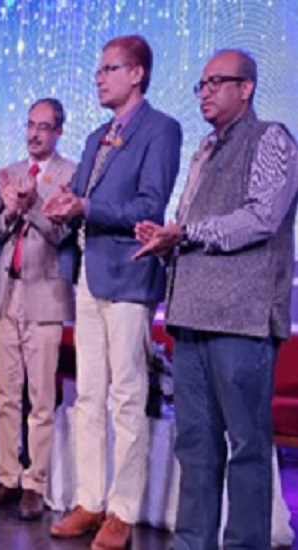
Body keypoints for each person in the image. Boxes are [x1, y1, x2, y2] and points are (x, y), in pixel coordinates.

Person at [134, 49, 298, 550]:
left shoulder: (271, 138)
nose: (204, 92)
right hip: (191, 316)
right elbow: (189, 223)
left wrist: (186, 233)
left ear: (246, 88)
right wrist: (166, 239)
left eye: (216, 82)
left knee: (246, 446)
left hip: (241, 319)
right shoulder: (204, 148)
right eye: (201, 84)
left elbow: (262, 217)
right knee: (195, 445)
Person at [42, 35, 182, 549]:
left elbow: (149, 205)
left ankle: (122, 510)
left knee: (126, 397)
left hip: (130, 275)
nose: (98, 77)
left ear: (137, 73)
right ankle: (89, 500)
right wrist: (61, 203)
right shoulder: (97, 137)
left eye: (109, 69)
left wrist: (85, 208)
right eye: (98, 69)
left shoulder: (161, 129)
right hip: (90, 274)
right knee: (88, 396)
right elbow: (79, 195)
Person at [0, 98, 76, 520]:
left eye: (44, 127)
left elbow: (61, 235)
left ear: (59, 132)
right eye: (30, 125)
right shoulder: (9, 172)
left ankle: (35, 483)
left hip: (45, 296)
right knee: (4, 393)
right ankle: (7, 477)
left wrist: (32, 204)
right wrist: (9, 212)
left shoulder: (71, 175)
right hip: (6, 293)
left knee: (40, 397)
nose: (34, 134)